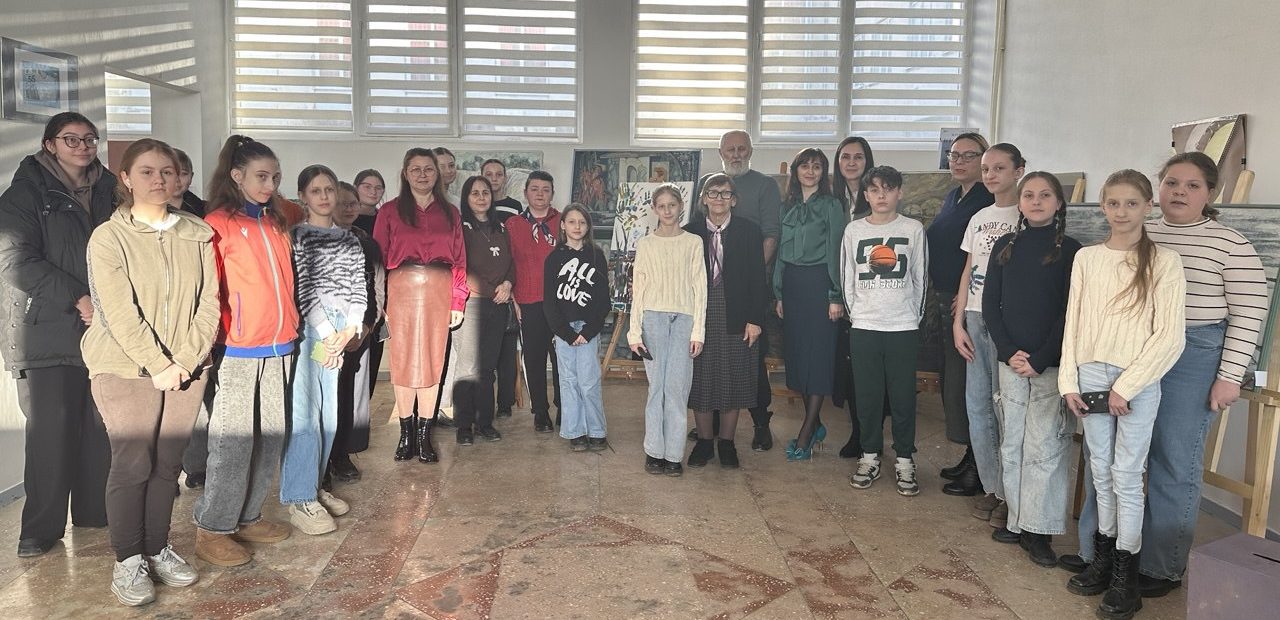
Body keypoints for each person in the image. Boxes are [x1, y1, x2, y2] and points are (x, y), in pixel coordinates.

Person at [1065, 153, 1270, 599]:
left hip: (1193, 352)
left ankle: (1160, 564)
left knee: (1172, 457)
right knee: (1108, 458)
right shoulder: (1141, 231)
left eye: (1193, 185)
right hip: (1127, 350)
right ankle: (1100, 551)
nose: (1180, 191)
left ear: (1210, 193)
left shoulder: (1229, 243)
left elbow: (1250, 312)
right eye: (1172, 182)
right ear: (1155, 193)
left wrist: (1230, 374)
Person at [82, 138, 219, 605]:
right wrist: (159, 364)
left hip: (187, 366)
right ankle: (128, 560)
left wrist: (185, 360)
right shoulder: (108, 237)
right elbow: (118, 312)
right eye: (147, 171)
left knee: (168, 464)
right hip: (124, 366)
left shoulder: (198, 233)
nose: (159, 179)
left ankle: (158, 548)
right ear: (125, 178)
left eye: (167, 171)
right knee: (133, 462)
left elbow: (210, 304)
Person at [1060, 170, 1185, 619]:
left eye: (1132, 203)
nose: (1122, 212)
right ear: (1103, 206)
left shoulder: (1165, 262)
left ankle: (1125, 578)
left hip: (1137, 379)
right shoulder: (1088, 258)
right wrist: (1069, 382)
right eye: (1113, 203)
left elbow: (1170, 337)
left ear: (1148, 206)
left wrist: (1126, 387)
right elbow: (1074, 321)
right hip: (1092, 372)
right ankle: (1104, 558)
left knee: (1127, 474)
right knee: (1101, 472)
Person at [0, 111, 115, 558]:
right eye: (71, 139)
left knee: (99, 426)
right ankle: (40, 529)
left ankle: (93, 512)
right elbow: (14, 261)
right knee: (50, 433)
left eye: (90, 139)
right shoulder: (25, 194)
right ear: (50, 144)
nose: (83, 147)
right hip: (44, 330)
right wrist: (77, 297)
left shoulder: (110, 189)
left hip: (103, 329)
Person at [194, 135, 303, 567]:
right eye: (261, 176)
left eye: (275, 177)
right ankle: (213, 528)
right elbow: (209, 290)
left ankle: (248, 516)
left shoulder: (275, 222)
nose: (270, 185)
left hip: (281, 346)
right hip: (238, 349)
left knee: (270, 438)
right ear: (237, 176)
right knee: (233, 443)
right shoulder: (217, 223)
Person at [982, 172, 1082, 566]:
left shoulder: (1071, 251)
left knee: (1045, 447)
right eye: (1028, 195)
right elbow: (991, 305)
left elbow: (1069, 311)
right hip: (1011, 362)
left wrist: (1040, 357)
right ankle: (1017, 519)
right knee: (1013, 443)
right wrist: (1009, 352)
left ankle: (1039, 530)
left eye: (1045, 195)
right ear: (1020, 202)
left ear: (1058, 203)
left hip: (1049, 365)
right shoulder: (1005, 246)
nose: (1036, 201)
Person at [281, 165, 367, 536]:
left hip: (340, 329)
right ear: (303, 196)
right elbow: (303, 289)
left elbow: (359, 287)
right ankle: (299, 497)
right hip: (312, 331)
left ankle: (315, 486)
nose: (324, 197)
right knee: (305, 413)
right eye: (315, 191)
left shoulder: (349, 239)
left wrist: (350, 328)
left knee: (328, 414)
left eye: (329, 189)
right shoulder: (297, 236)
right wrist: (329, 332)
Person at [374, 148, 466, 465]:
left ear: (437, 174)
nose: (423, 175)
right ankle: (406, 433)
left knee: (433, 361)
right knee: (402, 363)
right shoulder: (389, 212)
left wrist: (458, 300)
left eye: (429, 169)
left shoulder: (451, 213)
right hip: (400, 290)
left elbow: (460, 261)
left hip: (440, 290)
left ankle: (425, 435)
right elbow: (378, 261)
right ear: (405, 173)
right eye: (416, 169)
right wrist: (380, 301)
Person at [948, 144, 1026, 515]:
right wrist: (958, 322)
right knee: (977, 407)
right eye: (986, 169)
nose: (991, 175)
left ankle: (1012, 494)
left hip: (1007, 322)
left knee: (1005, 408)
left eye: (999, 168)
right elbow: (969, 270)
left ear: (1018, 171)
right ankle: (992, 487)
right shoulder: (979, 217)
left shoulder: (1026, 215)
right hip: (975, 319)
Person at [841, 166, 928, 496]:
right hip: (864, 326)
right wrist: (857, 315)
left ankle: (905, 458)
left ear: (899, 193)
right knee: (868, 396)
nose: (881, 195)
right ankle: (869, 456)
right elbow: (848, 277)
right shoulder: (854, 230)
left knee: (903, 396)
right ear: (865, 195)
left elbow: (920, 277)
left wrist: (912, 317)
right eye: (875, 189)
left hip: (902, 326)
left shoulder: (913, 229)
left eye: (888, 189)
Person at [694, 130, 781, 450]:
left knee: (749, 360)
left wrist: (748, 274)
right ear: (720, 152)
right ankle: (711, 425)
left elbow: (771, 234)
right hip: (713, 287)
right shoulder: (707, 182)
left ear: (751, 151)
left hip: (748, 284)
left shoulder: (765, 185)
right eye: (730, 149)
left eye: (742, 148)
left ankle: (760, 423)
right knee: (710, 358)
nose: (736, 154)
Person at [925, 133, 995, 491]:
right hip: (944, 298)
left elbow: (984, 257)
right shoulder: (954, 197)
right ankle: (971, 456)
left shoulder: (988, 201)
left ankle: (980, 466)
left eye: (969, 155)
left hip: (964, 303)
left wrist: (964, 297)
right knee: (953, 383)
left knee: (969, 385)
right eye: (954, 155)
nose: (959, 161)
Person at [685, 174, 766, 469]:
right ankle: (705, 442)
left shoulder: (749, 231)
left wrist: (755, 319)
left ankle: (727, 443)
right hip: (700, 315)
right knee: (702, 377)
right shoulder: (690, 232)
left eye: (725, 193)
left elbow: (758, 278)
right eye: (713, 192)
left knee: (734, 377)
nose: (719, 198)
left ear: (734, 200)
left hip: (738, 314)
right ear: (703, 199)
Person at [630, 184, 706, 477]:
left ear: (680, 207)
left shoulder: (693, 242)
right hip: (652, 319)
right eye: (661, 206)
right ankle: (654, 451)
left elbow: (700, 288)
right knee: (656, 389)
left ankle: (673, 454)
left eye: (672, 205)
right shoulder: (646, 244)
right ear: (654, 209)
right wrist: (634, 333)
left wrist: (698, 332)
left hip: (684, 320)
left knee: (676, 388)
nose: (667, 211)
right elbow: (639, 289)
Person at [774, 148, 844, 461]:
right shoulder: (786, 206)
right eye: (805, 166)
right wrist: (779, 293)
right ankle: (815, 424)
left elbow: (836, 251)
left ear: (823, 172)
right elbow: (780, 252)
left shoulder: (832, 205)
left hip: (819, 284)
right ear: (796, 171)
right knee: (799, 355)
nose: (811, 171)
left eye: (817, 166)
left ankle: (806, 431)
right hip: (792, 286)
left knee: (818, 357)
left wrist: (835, 295)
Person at [544, 203, 611, 452]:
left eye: (582, 222)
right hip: (564, 331)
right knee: (569, 381)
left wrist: (588, 331)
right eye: (571, 221)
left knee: (589, 381)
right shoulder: (553, 259)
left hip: (588, 329)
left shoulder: (596, 256)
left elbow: (603, 299)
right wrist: (565, 333)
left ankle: (596, 430)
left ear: (588, 226)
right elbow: (549, 302)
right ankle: (576, 431)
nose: (577, 226)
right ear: (563, 225)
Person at [831, 136, 882, 460]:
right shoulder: (831, 199)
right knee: (850, 370)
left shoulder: (877, 198)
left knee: (873, 371)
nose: (851, 163)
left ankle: (872, 433)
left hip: (874, 295)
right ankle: (858, 431)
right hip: (840, 295)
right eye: (845, 157)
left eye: (858, 157)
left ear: (867, 161)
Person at [453, 176, 513, 445]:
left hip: (498, 304)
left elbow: (512, 262)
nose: (481, 197)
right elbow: (460, 268)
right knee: (468, 366)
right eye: (475, 193)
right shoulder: (460, 229)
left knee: (488, 367)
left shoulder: (501, 227)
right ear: (466, 198)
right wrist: (491, 290)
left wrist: (508, 284)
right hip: (472, 304)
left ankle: (484, 423)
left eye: (485, 192)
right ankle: (464, 426)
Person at [330, 181, 384, 483]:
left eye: (353, 203)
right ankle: (321, 461)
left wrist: (365, 328)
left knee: (349, 395)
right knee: (325, 398)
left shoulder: (367, 243)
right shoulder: (315, 239)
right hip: (324, 336)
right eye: (343, 203)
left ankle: (342, 454)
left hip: (358, 334)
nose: (349, 208)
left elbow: (376, 288)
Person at [506, 171, 563, 432]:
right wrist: (514, 299)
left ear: (552, 194)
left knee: (562, 359)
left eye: (546, 189)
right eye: (535, 189)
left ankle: (565, 406)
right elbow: (508, 264)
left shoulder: (563, 221)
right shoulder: (513, 225)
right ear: (525, 193)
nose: (540, 194)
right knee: (534, 359)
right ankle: (540, 411)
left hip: (562, 303)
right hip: (528, 302)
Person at [480, 158, 522, 418]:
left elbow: (515, 248)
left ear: (505, 178)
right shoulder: (475, 207)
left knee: (508, 350)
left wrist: (510, 283)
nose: (494, 179)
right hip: (482, 290)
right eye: (489, 174)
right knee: (486, 354)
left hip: (508, 285)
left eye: (498, 174)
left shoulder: (515, 207)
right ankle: (483, 404)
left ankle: (505, 403)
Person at [171, 148, 205, 217]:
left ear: (191, 177)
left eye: (183, 174)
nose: (177, 180)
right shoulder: (148, 209)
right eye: (169, 173)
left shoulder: (205, 210)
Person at [352, 169, 386, 236]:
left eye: (378, 188)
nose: (373, 192)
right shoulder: (345, 218)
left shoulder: (386, 218)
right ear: (355, 188)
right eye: (367, 187)